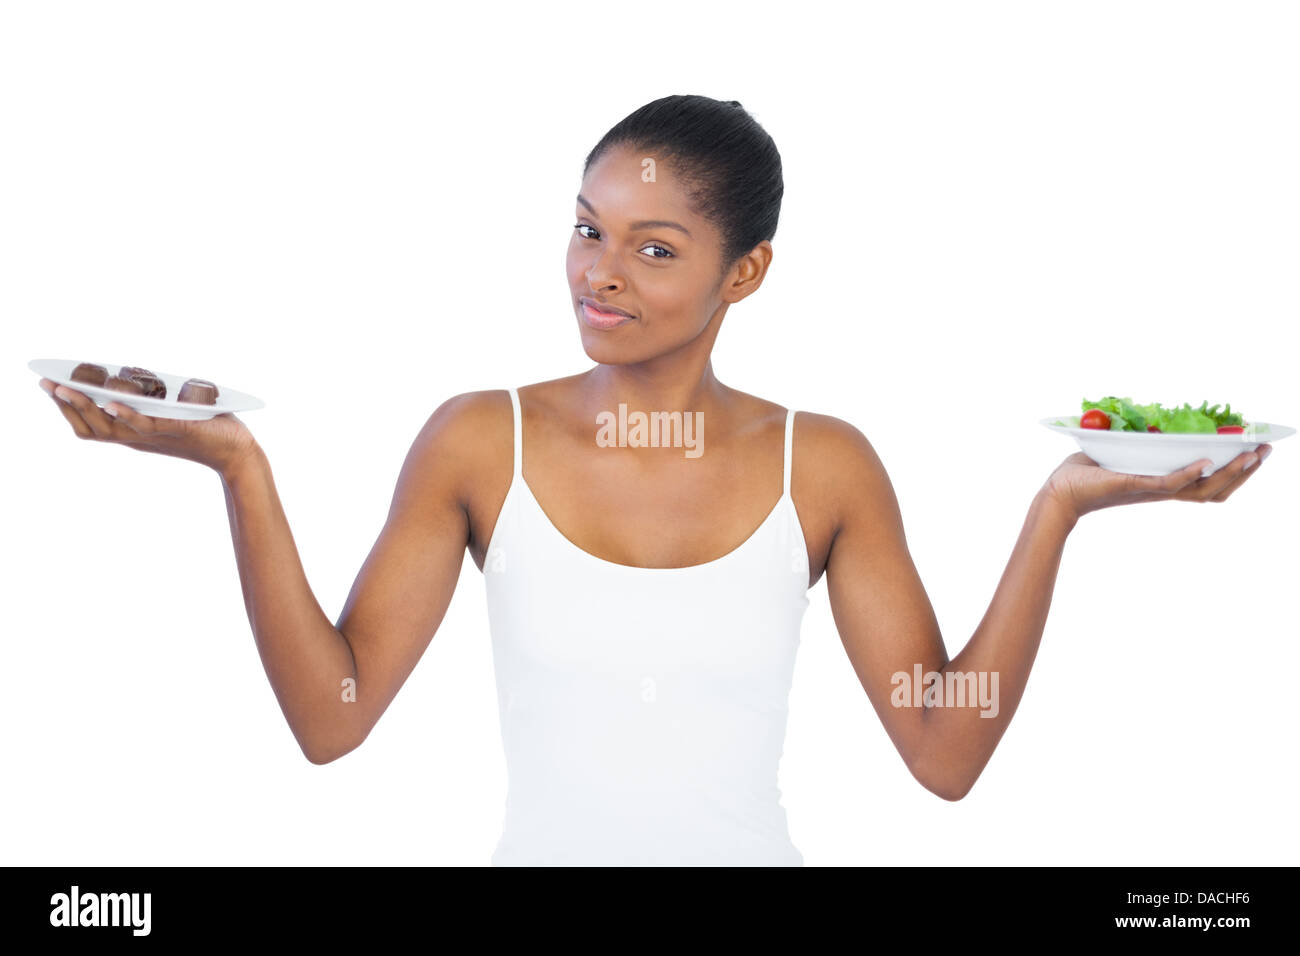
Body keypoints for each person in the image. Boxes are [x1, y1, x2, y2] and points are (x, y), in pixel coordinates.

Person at [37, 94, 1272, 866]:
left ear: (747, 273)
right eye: (586, 227)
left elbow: (944, 747)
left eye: (655, 247)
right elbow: (333, 716)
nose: (600, 272)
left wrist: (1057, 507)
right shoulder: (479, 440)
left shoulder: (822, 464)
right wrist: (238, 472)